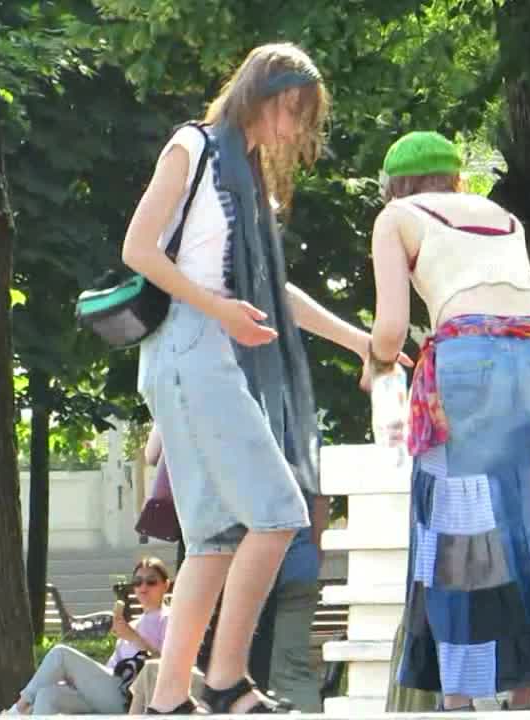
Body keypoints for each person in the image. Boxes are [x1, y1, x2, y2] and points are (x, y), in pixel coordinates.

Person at [122, 43, 383, 714]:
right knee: (278, 514)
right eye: (291, 111)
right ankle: (226, 680)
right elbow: (138, 248)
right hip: (190, 349)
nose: (294, 129)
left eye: (304, 117)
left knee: (215, 542)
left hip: (205, 353)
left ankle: (168, 701)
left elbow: (272, 296)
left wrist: (360, 342)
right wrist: (220, 312)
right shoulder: (193, 148)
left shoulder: (245, 179)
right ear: (259, 97)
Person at [365, 131, 530, 711]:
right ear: (456, 177)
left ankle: (461, 695)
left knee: (465, 514)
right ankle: (525, 691)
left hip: (470, 352)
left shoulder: (396, 216)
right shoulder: (504, 218)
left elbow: (392, 330)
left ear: (395, 184)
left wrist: (375, 361)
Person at [4, 557, 172, 715]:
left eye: (151, 581)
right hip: (109, 693)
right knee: (47, 695)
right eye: (137, 582)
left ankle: (16, 711)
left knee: (60, 653)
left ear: (165, 585)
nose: (143, 587)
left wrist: (134, 638)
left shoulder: (170, 620)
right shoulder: (131, 625)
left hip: (131, 697)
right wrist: (79, 679)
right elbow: (111, 670)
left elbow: (166, 667)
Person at [265, 491, 328, 712]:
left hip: (250, 571)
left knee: (241, 674)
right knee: (292, 669)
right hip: (300, 564)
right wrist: (314, 554)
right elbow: (320, 501)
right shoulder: (308, 466)